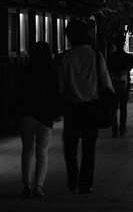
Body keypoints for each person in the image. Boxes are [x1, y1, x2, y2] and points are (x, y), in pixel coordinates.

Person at [56, 20, 114, 194]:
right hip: (91, 107)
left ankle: (72, 178)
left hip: (71, 107)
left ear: (69, 36)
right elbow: (105, 83)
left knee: (70, 145)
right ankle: (85, 183)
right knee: (89, 147)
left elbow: (59, 86)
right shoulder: (96, 56)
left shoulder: (63, 58)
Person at [15, 41, 61, 198]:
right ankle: (38, 186)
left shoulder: (24, 71)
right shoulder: (50, 72)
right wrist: (57, 112)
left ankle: (26, 184)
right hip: (44, 115)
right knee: (42, 150)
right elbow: (56, 94)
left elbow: (17, 94)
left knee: (27, 149)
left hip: (26, 114)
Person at [106, 34, 133, 138]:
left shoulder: (110, 57)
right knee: (123, 108)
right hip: (124, 84)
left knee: (113, 108)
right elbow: (130, 68)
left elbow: (107, 69)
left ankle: (114, 129)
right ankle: (122, 128)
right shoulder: (128, 57)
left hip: (112, 85)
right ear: (124, 44)